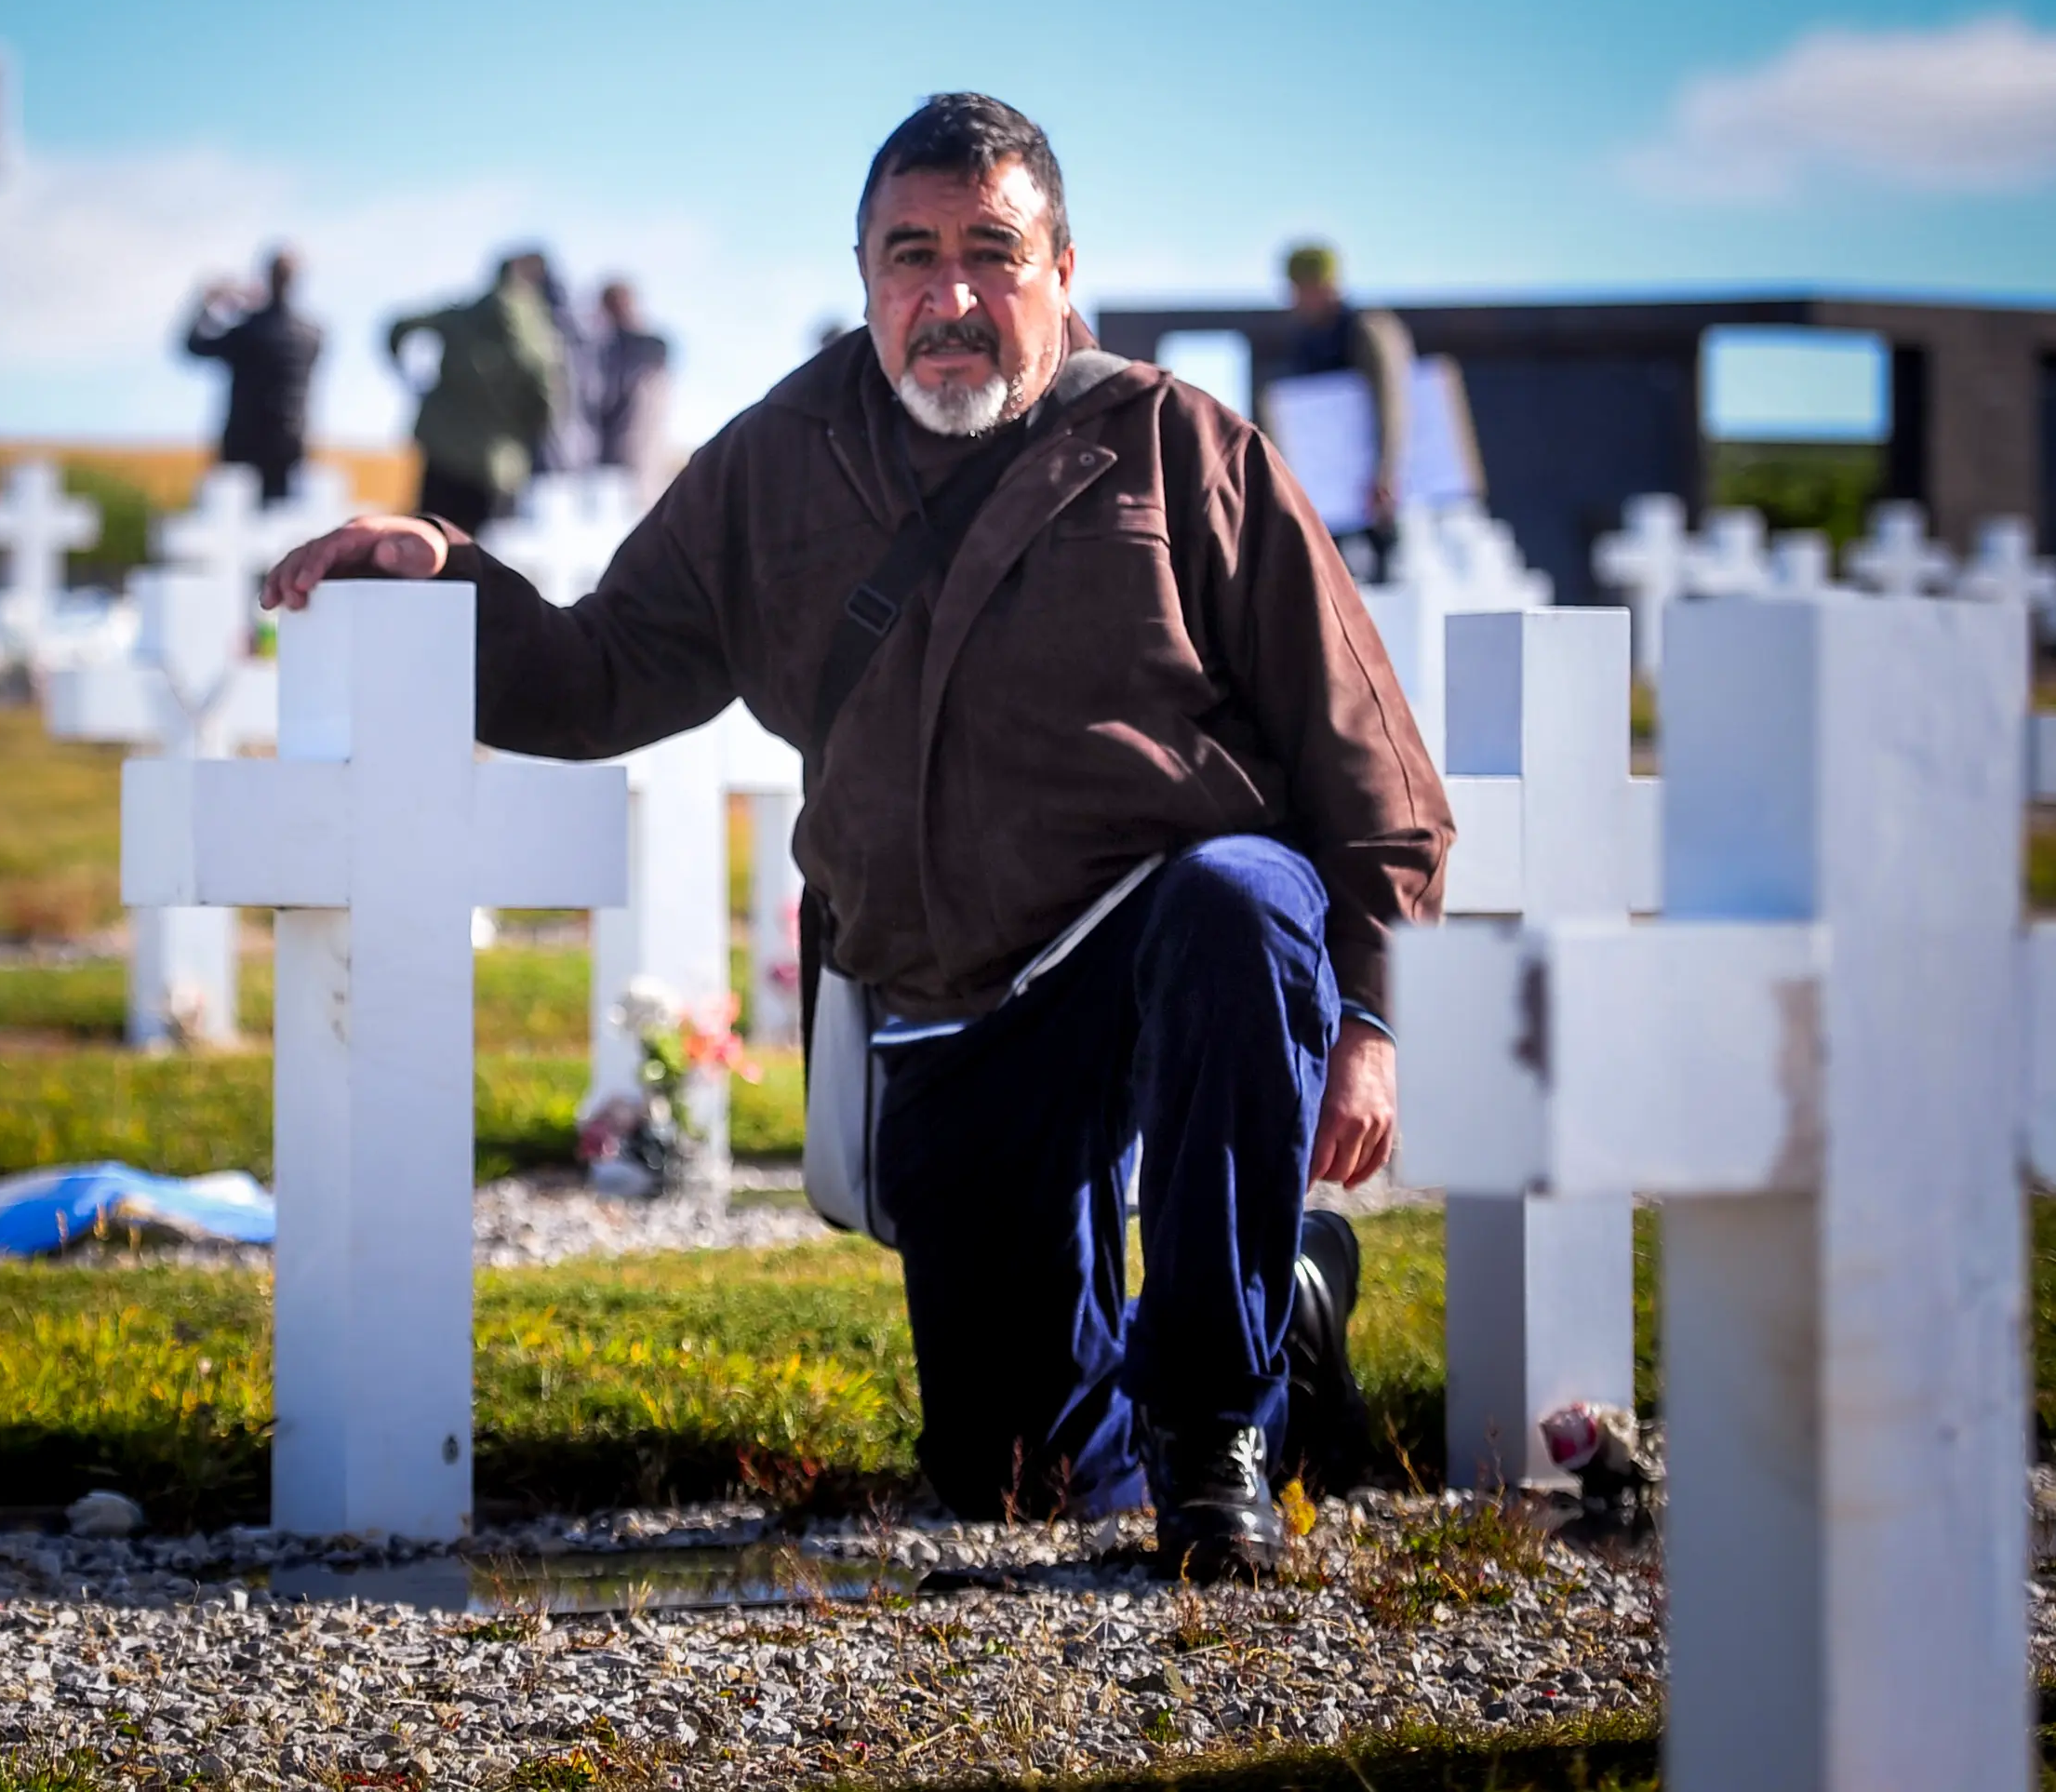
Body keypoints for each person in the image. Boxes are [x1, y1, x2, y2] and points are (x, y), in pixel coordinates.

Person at [269, 94, 1449, 1579]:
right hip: (951, 998)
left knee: (1237, 895)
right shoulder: (774, 464)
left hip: (1166, 940)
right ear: (863, 274)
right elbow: (598, 670)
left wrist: (1366, 1014)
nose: (947, 298)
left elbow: (1369, 762)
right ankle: (1287, 1297)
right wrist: (441, 572)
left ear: (1061, 271)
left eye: (989, 253)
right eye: (910, 256)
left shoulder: (1177, 446)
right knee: (1014, 1477)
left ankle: (1217, 1423)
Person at [1269, 242, 1439, 565]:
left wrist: (1387, 472)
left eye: (1303, 289)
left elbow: (1393, 399)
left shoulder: (1368, 329)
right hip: (1334, 498)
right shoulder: (1305, 340)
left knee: (1393, 570)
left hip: (1379, 492)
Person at [383, 252, 565, 534]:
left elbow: (399, 327)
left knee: (425, 549)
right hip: (498, 465)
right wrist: (530, 434)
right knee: (483, 563)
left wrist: (415, 384)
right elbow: (547, 395)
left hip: (442, 454)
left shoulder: (462, 315)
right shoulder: (538, 330)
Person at [180, 249, 326, 502]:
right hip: (290, 446)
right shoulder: (312, 334)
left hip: (243, 444)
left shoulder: (247, 332)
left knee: (230, 524)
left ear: (266, 278)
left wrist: (212, 303)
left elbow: (194, 346)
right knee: (282, 528)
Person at [581, 279, 676, 480]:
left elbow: (607, 398)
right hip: (635, 461)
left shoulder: (639, 349)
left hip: (630, 459)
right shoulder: (649, 346)